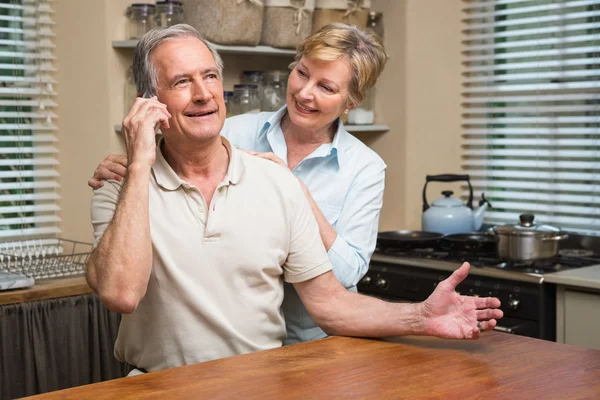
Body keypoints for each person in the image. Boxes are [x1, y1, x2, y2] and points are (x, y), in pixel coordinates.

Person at [87, 24, 502, 374]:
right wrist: (138, 164)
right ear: (149, 101)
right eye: (181, 81)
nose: (202, 94)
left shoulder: (284, 180)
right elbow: (120, 294)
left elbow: (331, 299)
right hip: (158, 385)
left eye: (211, 76)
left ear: (350, 102)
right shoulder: (122, 184)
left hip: (269, 377)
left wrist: (421, 316)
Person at [90, 23, 387, 345]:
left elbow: (345, 277)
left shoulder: (365, 167)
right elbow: (178, 144)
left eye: (326, 88)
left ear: (351, 101)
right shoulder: (229, 130)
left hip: (313, 341)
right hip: (235, 343)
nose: (304, 93)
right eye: (302, 73)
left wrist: (297, 194)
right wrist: (135, 164)